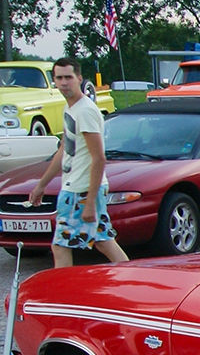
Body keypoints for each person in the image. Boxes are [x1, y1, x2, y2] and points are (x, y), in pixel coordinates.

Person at [27, 57, 129, 267]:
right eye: (59, 78)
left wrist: (90, 201)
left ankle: (62, 291)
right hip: (73, 186)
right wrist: (41, 185)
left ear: (79, 78)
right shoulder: (70, 109)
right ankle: (131, 276)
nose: (64, 82)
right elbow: (65, 149)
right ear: (54, 80)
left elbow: (99, 158)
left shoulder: (85, 111)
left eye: (69, 77)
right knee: (102, 241)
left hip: (82, 190)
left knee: (61, 245)